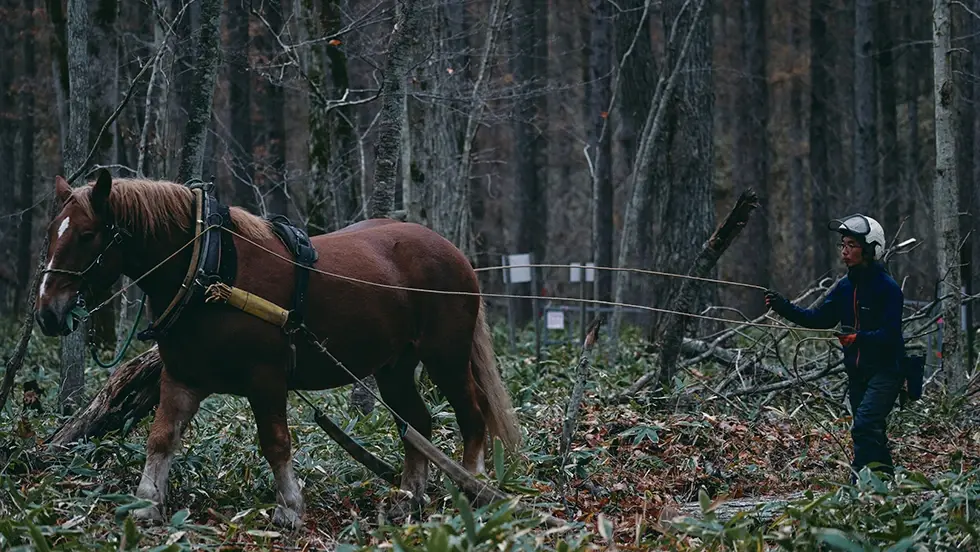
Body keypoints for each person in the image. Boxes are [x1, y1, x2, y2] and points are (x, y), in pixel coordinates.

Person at [764, 214, 905, 482]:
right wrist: (782, 306)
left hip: (888, 370)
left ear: (871, 248)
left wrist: (858, 338)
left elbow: (890, 335)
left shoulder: (888, 289)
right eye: (843, 245)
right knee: (870, 429)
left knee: (864, 426)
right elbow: (817, 319)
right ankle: (884, 485)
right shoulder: (844, 287)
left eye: (851, 244)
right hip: (857, 371)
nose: (845, 251)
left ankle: (857, 484)